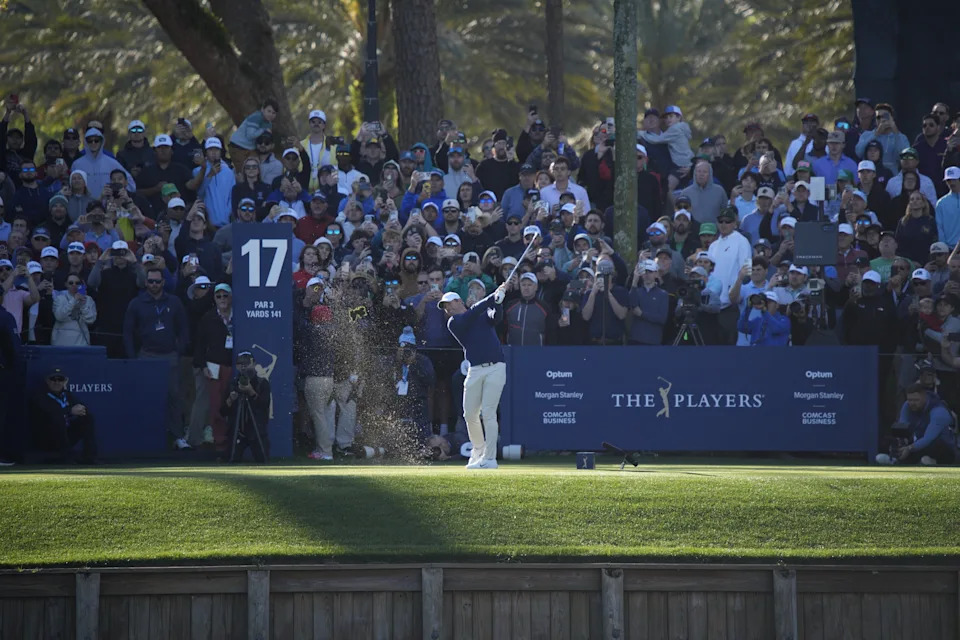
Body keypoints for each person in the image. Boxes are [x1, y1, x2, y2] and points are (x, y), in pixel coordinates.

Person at [439, 281, 509, 469]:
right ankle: (478, 451)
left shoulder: (478, 314)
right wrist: (492, 297)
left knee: (488, 412)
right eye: (444, 307)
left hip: (496, 367)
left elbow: (495, 318)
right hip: (475, 369)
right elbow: (473, 313)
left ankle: (490, 458)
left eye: (449, 304)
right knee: (469, 414)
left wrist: (499, 302)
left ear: (458, 301)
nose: (447, 309)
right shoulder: (454, 322)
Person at [123, 267, 189, 447]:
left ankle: (178, 437)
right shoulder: (136, 303)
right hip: (146, 355)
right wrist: (132, 358)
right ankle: (144, 435)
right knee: (145, 396)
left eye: (157, 281)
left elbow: (183, 329)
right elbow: (127, 332)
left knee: (174, 397)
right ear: (145, 282)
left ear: (163, 282)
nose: (154, 284)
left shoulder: (174, 302)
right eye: (150, 281)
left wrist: (179, 349)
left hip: (170, 355)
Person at [193, 283, 235, 452]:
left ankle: (234, 441)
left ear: (231, 297)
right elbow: (200, 345)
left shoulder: (240, 316)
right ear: (214, 299)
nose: (222, 299)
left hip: (234, 367)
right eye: (219, 296)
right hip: (214, 366)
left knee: (233, 405)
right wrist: (202, 365)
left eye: (225, 296)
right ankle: (220, 444)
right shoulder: (208, 318)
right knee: (216, 405)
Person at [28, 367, 97, 464]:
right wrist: (70, 411)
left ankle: (89, 457)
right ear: (47, 381)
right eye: (53, 379)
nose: (57, 382)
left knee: (87, 418)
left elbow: (81, 407)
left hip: (65, 435)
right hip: (45, 438)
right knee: (58, 418)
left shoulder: (66, 394)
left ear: (65, 381)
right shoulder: (39, 395)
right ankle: (67, 456)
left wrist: (82, 409)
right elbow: (51, 412)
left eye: (60, 379)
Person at [876, 383, 958, 465]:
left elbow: (928, 438)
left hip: (944, 449)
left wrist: (909, 448)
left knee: (934, 444)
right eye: (910, 400)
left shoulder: (939, 411)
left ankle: (930, 462)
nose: (912, 403)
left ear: (924, 397)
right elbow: (903, 428)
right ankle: (897, 459)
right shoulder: (907, 406)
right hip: (920, 443)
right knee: (892, 440)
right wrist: (901, 444)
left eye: (916, 400)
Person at [221, 350, 271, 462]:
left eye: (247, 363)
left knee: (262, 458)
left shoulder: (262, 383)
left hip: (257, 430)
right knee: (231, 458)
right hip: (237, 431)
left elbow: (264, 406)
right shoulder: (233, 384)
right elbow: (222, 411)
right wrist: (230, 400)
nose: (244, 367)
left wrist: (251, 392)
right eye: (240, 364)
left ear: (254, 364)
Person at [627, 259, 668, 345]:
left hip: (653, 340)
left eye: (650, 272)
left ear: (656, 274)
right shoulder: (636, 291)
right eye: (645, 272)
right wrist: (634, 282)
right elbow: (631, 305)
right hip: (635, 339)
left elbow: (662, 318)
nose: (647, 274)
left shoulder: (663, 294)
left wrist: (642, 314)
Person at [51, 274, 96, 346]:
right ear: (66, 284)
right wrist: (73, 300)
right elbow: (59, 317)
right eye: (71, 283)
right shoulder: (59, 298)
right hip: (61, 342)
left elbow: (91, 320)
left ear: (81, 285)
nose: (74, 285)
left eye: (77, 283)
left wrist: (83, 304)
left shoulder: (88, 299)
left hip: (81, 342)